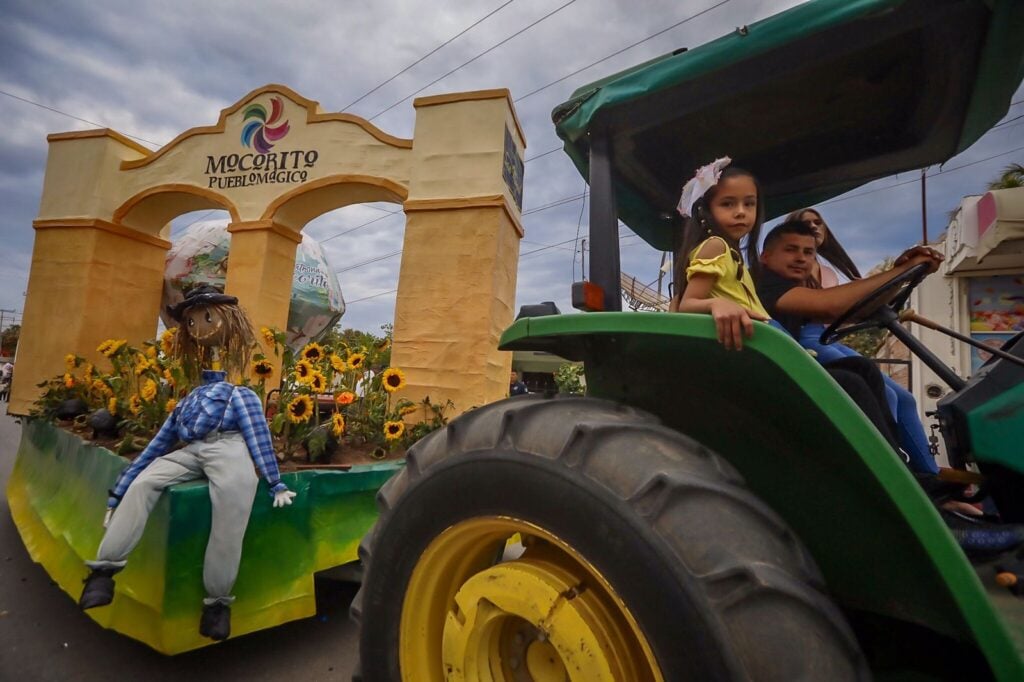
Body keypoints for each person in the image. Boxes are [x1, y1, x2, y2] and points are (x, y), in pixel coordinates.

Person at [78, 286, 297, 641]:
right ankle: (104, 571)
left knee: (233, 500)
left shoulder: (240, 395)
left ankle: (218, 603)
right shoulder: (190, 398)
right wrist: (119, 491)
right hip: (192, 449)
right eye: (192, 322)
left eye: (207, 318)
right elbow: (157, 445)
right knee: (146, 480)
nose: (199, 327)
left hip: (230, 448)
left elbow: (257, 437)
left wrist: (274, 481)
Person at [755, 220, 941, 475]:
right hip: (783, 371)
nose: (800, 258)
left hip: (798, 357)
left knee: (899, 395)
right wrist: (901, 270)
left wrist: (900, 275)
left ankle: (927, 475)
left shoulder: (795, 286)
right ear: (765, 256)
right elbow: (831, 306)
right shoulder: (766, 284)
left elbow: (860, 307)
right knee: (864, 384)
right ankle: (897, 473)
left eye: (808, 252)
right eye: (791, 250)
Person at [670, 157, 773, 350]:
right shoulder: (715, 246)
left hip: (764, 334)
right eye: (727, 204)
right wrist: (719, 303)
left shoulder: (732, 253)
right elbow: (687, 305)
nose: (741, 212)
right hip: (758, 342)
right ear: (706, 211)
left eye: (749, 204)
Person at [785, 207, 862, 288]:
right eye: (806, 224)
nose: (814, 226)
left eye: (818, 222)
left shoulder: (831, 273)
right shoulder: (784, 269)